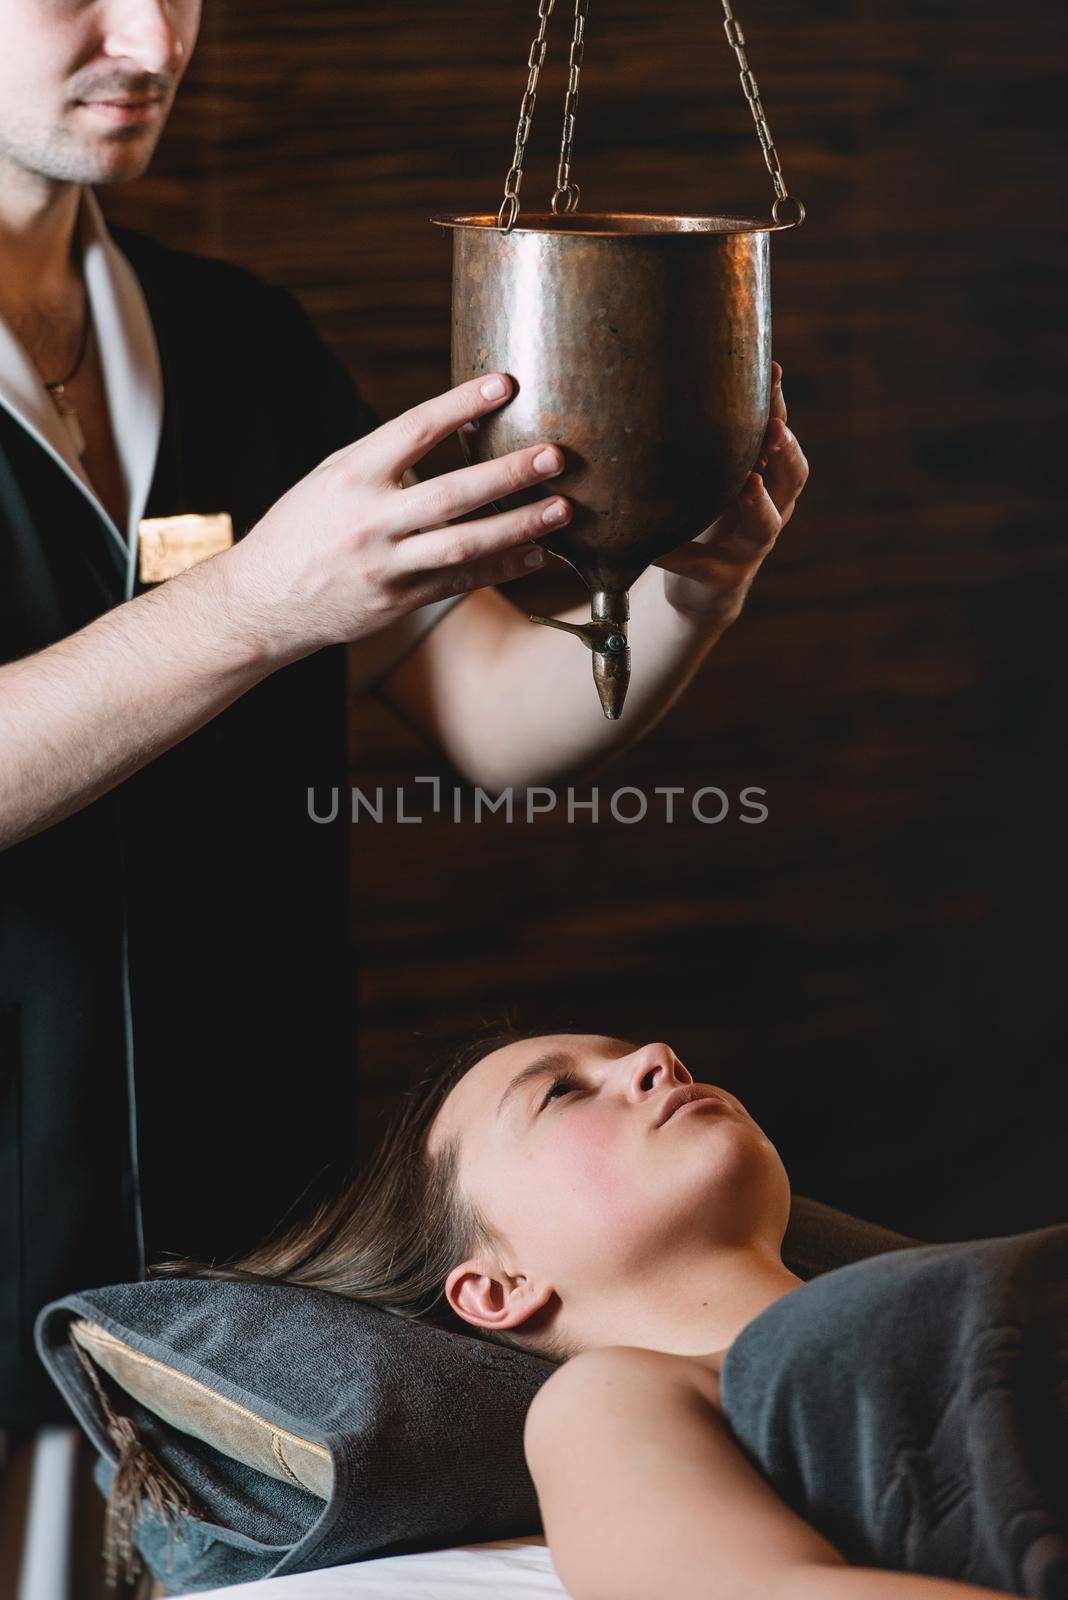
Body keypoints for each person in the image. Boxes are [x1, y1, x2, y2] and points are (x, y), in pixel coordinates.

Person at [0, 0, 810, 1445]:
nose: (149, 36)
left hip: (247, 1241)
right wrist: (257, 606)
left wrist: (697, 580)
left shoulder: (239, 341)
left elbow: (499, 717)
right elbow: (265, 611)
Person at [174, 1023, 1068, 1599]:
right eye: (561, 1091)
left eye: (627, 1055)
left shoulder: (964, 1281)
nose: (655, 1057)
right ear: (499, 1285)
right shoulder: (611, 1402)